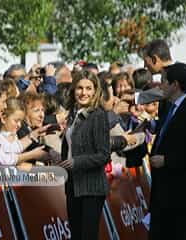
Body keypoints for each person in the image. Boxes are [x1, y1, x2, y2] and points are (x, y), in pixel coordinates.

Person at [57, 70, 110, 240]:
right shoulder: (73, 114)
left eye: (88, 88)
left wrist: (76, 162)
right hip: (72, 185)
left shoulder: (98, 115)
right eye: (79, 88)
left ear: (95, 90)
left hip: (91, 187)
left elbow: (103, 155)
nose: (84, 93)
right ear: (73, 90)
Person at [149, 63, 186, 240]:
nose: (160, 86)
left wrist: (167, 160)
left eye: (164, 81)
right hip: (164, 193)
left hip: (181, 195)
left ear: (175, 85)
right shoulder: (171, 107)